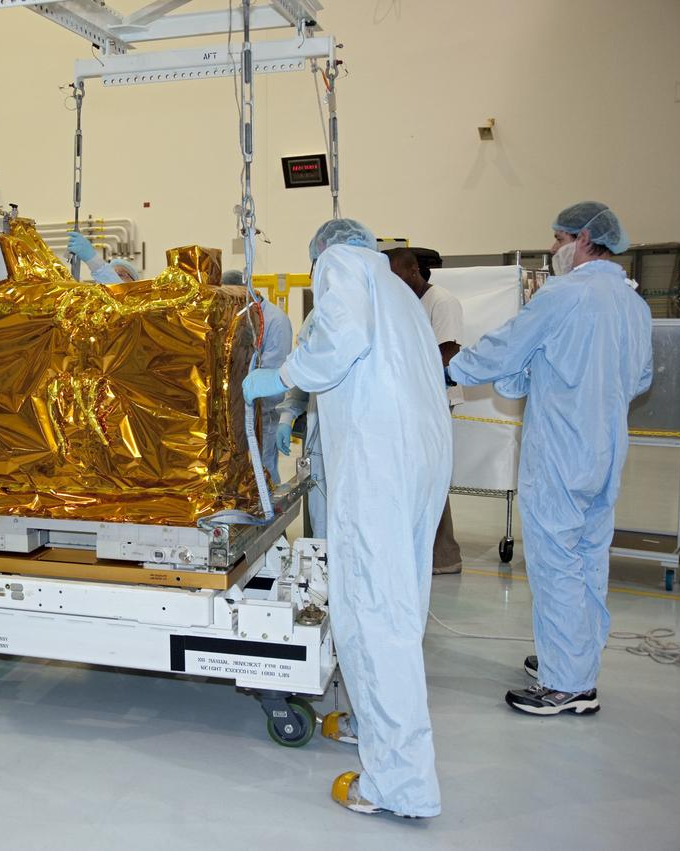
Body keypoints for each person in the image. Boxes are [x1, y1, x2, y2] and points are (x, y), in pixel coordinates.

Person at [242, 218, 451, 818]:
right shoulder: (397, 290)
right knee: (396, 603)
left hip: (380, 462)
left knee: (373, 612)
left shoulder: (343, 265)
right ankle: (368, 721)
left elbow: (340, 340)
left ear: (322, 253)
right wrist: (302, 403)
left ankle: (399, 784)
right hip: (419, 455)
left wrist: (283, 377)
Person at [447, 202, 652, 717]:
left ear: (585, 238)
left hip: (561, 448)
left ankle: (568, 685)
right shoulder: (633, 304)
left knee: (556, 562)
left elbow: (506, 347)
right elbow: (642, 379)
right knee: (588, 557)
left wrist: (451, 369)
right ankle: (575, 659)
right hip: (605, 448)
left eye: (558, 240)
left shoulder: (565, 294)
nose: (554, 250)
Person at [388, 247, 464, 575]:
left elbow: (448, 350)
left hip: (434, 400)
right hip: (410, 400)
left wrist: (401, 364)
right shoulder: (404, 301)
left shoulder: (440, 301)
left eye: (396, 276)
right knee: (413, 478)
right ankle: (421, 551)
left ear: (413, 271)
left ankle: (445, 556)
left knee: (429, 476)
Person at [221, 269, 292, 484]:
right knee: (242, 470)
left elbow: (273, 371)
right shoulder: (235, 316)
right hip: (238, 411)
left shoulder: (274, 320)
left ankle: (267, 510)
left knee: (263, 468)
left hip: (265, 412)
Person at [274, 311, 326, 537]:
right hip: (321, 445)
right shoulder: (319, 315)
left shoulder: (383, 311)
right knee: (322, 523)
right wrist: (287, 417)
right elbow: (302, 368)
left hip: (364, 448)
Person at [66, 231, 138, 283]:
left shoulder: (138, 301)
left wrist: (92, 259)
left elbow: (117, 288)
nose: (113, 277)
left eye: (120, 275)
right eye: (113, 274)